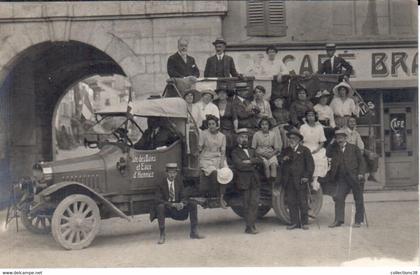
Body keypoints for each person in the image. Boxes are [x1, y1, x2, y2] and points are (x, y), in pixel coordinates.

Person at [153, 163, 204, 244]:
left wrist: (182, 203)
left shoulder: (179, 182)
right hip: (168, 208)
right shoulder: (160, 184)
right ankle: (162, 234)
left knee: (193, 204)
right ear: (166, 173)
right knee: (160, 207)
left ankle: (194, 232)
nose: (172, 175)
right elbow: (158, 199)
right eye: (170, 173)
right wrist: (171, 204)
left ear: (176, 173)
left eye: (174, 173)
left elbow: (184, 195)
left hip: (178, 207)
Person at [327, 129, 365, 228]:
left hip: (355, 177)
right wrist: (332, 141)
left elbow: (361, 162)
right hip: (342, 179)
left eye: (341, 137)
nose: (339, 140)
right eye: (337, 138)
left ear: (345, 138)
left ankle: (358, 221)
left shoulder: (354, 148)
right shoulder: (334, 150)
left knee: (358, 199)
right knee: (339, 197)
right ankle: (338, 220)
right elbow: (327, 153)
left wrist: (361, 173)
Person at [279, 129, 314, 230]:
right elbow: (280, 160)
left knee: (303, 202)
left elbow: (310, 165)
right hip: (289, 181)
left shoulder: (305, 150)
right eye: (290, 138)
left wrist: (306, 176)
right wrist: (283, 159)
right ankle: (294, 223)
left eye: (294, 138)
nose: (291, 140)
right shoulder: (286, 150)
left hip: (301, 180)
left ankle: (304, 223)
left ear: (299, 140)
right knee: (291, 202)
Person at [231, 129, 263, 234]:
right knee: (246, 204)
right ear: (238, 139)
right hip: (243, 180)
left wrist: (249, 161)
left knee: (254, 203)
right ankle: (249, 226)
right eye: (241, 137)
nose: (244, 139)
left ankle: (251, 226)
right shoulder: (235, 152)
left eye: (246, 137)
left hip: (254, 180)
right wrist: (253, 165)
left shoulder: (252, 150)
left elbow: (260, 160)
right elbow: (239, 165)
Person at [198, 115, 228, 208]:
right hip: (206, 158)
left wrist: (222, 163)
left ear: (217, 125)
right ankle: (214, 196)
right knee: (214, 172)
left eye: (213, 124)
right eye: (209, 124)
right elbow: (199, 147)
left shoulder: (222, 136)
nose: (211, 126)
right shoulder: (203, 134)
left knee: (225, 173)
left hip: (218, 158)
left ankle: (222, 197)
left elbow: (223, 152)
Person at [299, 110, 328, 191]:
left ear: (315, 117)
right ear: (306, 117)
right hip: (305, 147)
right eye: (309, 116)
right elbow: (300, 141)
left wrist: (317, 149)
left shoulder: (320, 127)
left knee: (318, 158)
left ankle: (315, 181)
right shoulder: (303, 127)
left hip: (316, 147)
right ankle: (307, 177)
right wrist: (304, 149)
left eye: (312, 115)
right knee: (309, 158)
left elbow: (322, 142)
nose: (310, 117)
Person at [345, 116, 379, 182]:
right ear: (347, 123)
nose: (352, 123)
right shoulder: (344, 132)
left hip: (358, 149)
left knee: (374, 156)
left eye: (354, 122)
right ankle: (361, 177)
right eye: (351, 122)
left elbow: (360, 143)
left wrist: (361, 150)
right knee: (361, 159)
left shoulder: (356, 133)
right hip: (349, 151)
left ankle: (371, 175)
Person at [251, 117, 282, 184]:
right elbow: (253, 148)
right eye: (262, 124)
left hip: (271, 152)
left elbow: (277, 148)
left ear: (269, 126)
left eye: (266, 124)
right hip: (260, 153)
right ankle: (269, 182)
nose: (264, 126)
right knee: (265, 163)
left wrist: (271, 154)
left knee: (273, 164)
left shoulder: (273, 134)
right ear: (260, 126)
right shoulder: (256, 134)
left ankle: (273, 182)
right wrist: (261, 154)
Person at [213, 88, 235, 157]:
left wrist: (236, 128)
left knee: (228, 137)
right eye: (220, 93)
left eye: (224, 93)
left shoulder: (231, 104)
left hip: (228, 127)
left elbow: (235, 118)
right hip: (217, 126)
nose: (222, 95)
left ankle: (227, 157)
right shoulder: (214, 103)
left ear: (227, 95)